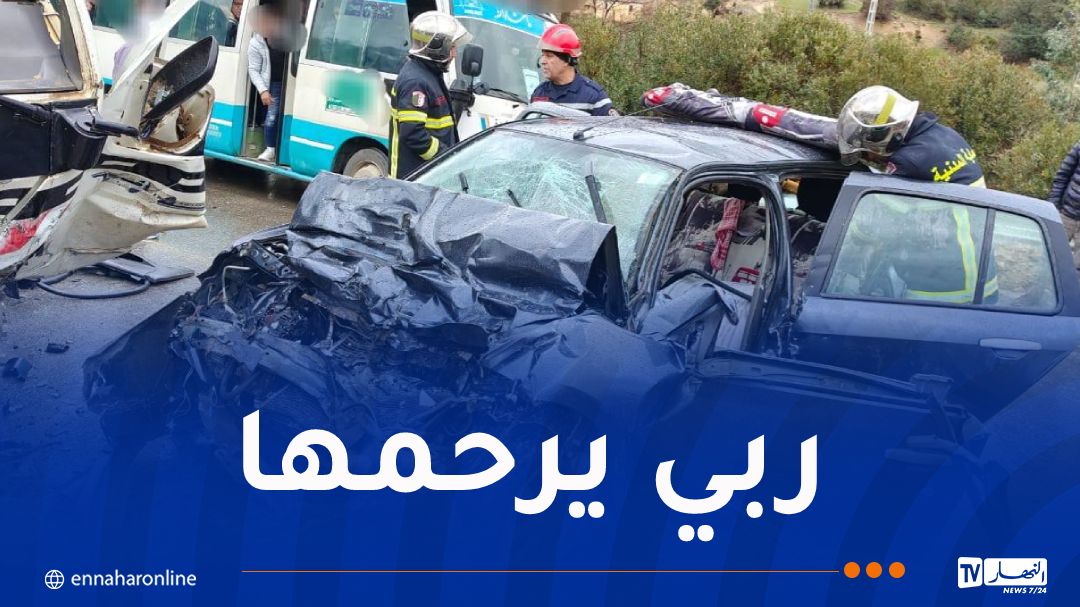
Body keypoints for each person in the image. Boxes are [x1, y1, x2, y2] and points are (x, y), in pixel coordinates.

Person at [389, 11, 470, 178]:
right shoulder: (415, 82)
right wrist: (444, 157)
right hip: (414, 178)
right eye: (452, 47)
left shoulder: (429, 74)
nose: (454, 54)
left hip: (426, 175)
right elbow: (413, 134)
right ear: (437, 48)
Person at [529, 24, 616, 116]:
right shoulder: (539, 93)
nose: (543, 61)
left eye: (549, 56)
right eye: (543, 55)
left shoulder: (594, 97)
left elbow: (611, 125)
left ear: (567, 60)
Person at [247, 0, 284, 162]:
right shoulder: (256, 43)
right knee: (271, 119)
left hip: (290, 83)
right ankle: (270, 149)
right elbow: (253, 70)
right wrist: (263, 90)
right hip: (273, 84)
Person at [1048, 141, 1080, 270]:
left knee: (1077, 268)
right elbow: (1062, 176)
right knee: (1050, 259)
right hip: (1065, 215)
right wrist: (1053, 206)